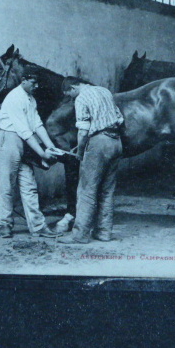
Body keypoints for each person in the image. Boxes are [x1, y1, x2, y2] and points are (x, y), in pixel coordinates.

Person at [0, 67, 62, 239]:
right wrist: (42, 153)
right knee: (8, 185)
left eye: (39, 83)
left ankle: (38, 226)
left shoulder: (30, 99)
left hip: (24, 143)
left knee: (29, 186)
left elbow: (37, 124)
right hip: (9, 140)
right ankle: (4, 224)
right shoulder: (15, 98)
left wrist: (50, 147)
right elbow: (25, 131)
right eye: (34, 82)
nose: (37, 86)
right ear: (24, 80)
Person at [58, 77, 124, 244]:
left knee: (86, 190)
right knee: (107, 190)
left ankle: (79, 235)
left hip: (98, 143)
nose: (72, 98)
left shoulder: (81, 98)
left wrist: (80, 151)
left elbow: (83, 131)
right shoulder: (104, 90)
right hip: (116, 142)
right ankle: (104, 232)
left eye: (70, 95)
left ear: (73, 88)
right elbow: (120, 118)